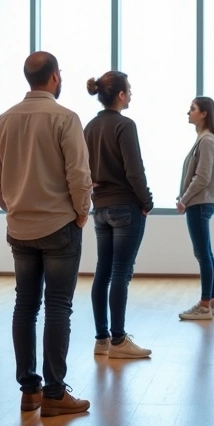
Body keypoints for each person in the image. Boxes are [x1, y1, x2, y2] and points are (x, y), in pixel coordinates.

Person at [0, 52, 93, 417]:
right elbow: (79, 176)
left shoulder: (4, 120)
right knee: (58, 307)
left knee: (25, 305)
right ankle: (54, 393)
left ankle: (29, 390)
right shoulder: (65, 118)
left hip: (20, 227)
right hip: (60, 226)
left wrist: (12, 205)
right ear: (53, 78)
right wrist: (82, 213)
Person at [84, 71, 153, 359]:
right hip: (125, 206)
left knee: (103, 271)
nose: (131, 95)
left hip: (99, 208)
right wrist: (146, 201)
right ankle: (119, 340)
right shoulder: (125, 125)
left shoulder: (89, 127)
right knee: (121, 274)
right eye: (130, 90)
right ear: (121, 95)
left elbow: (81, 167)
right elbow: (134, 170)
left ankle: (102, 339)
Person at [176, 97, 214, 321]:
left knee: (202, 254)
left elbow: (202, 177)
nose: (188, 112)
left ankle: (204, 306)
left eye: (192, 109)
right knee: (205, 252)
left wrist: (184, 199)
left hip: (199, 203)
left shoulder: (206, 140)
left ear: (204, 114)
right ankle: (213, 301)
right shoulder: (205, 139)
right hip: (201, 203)